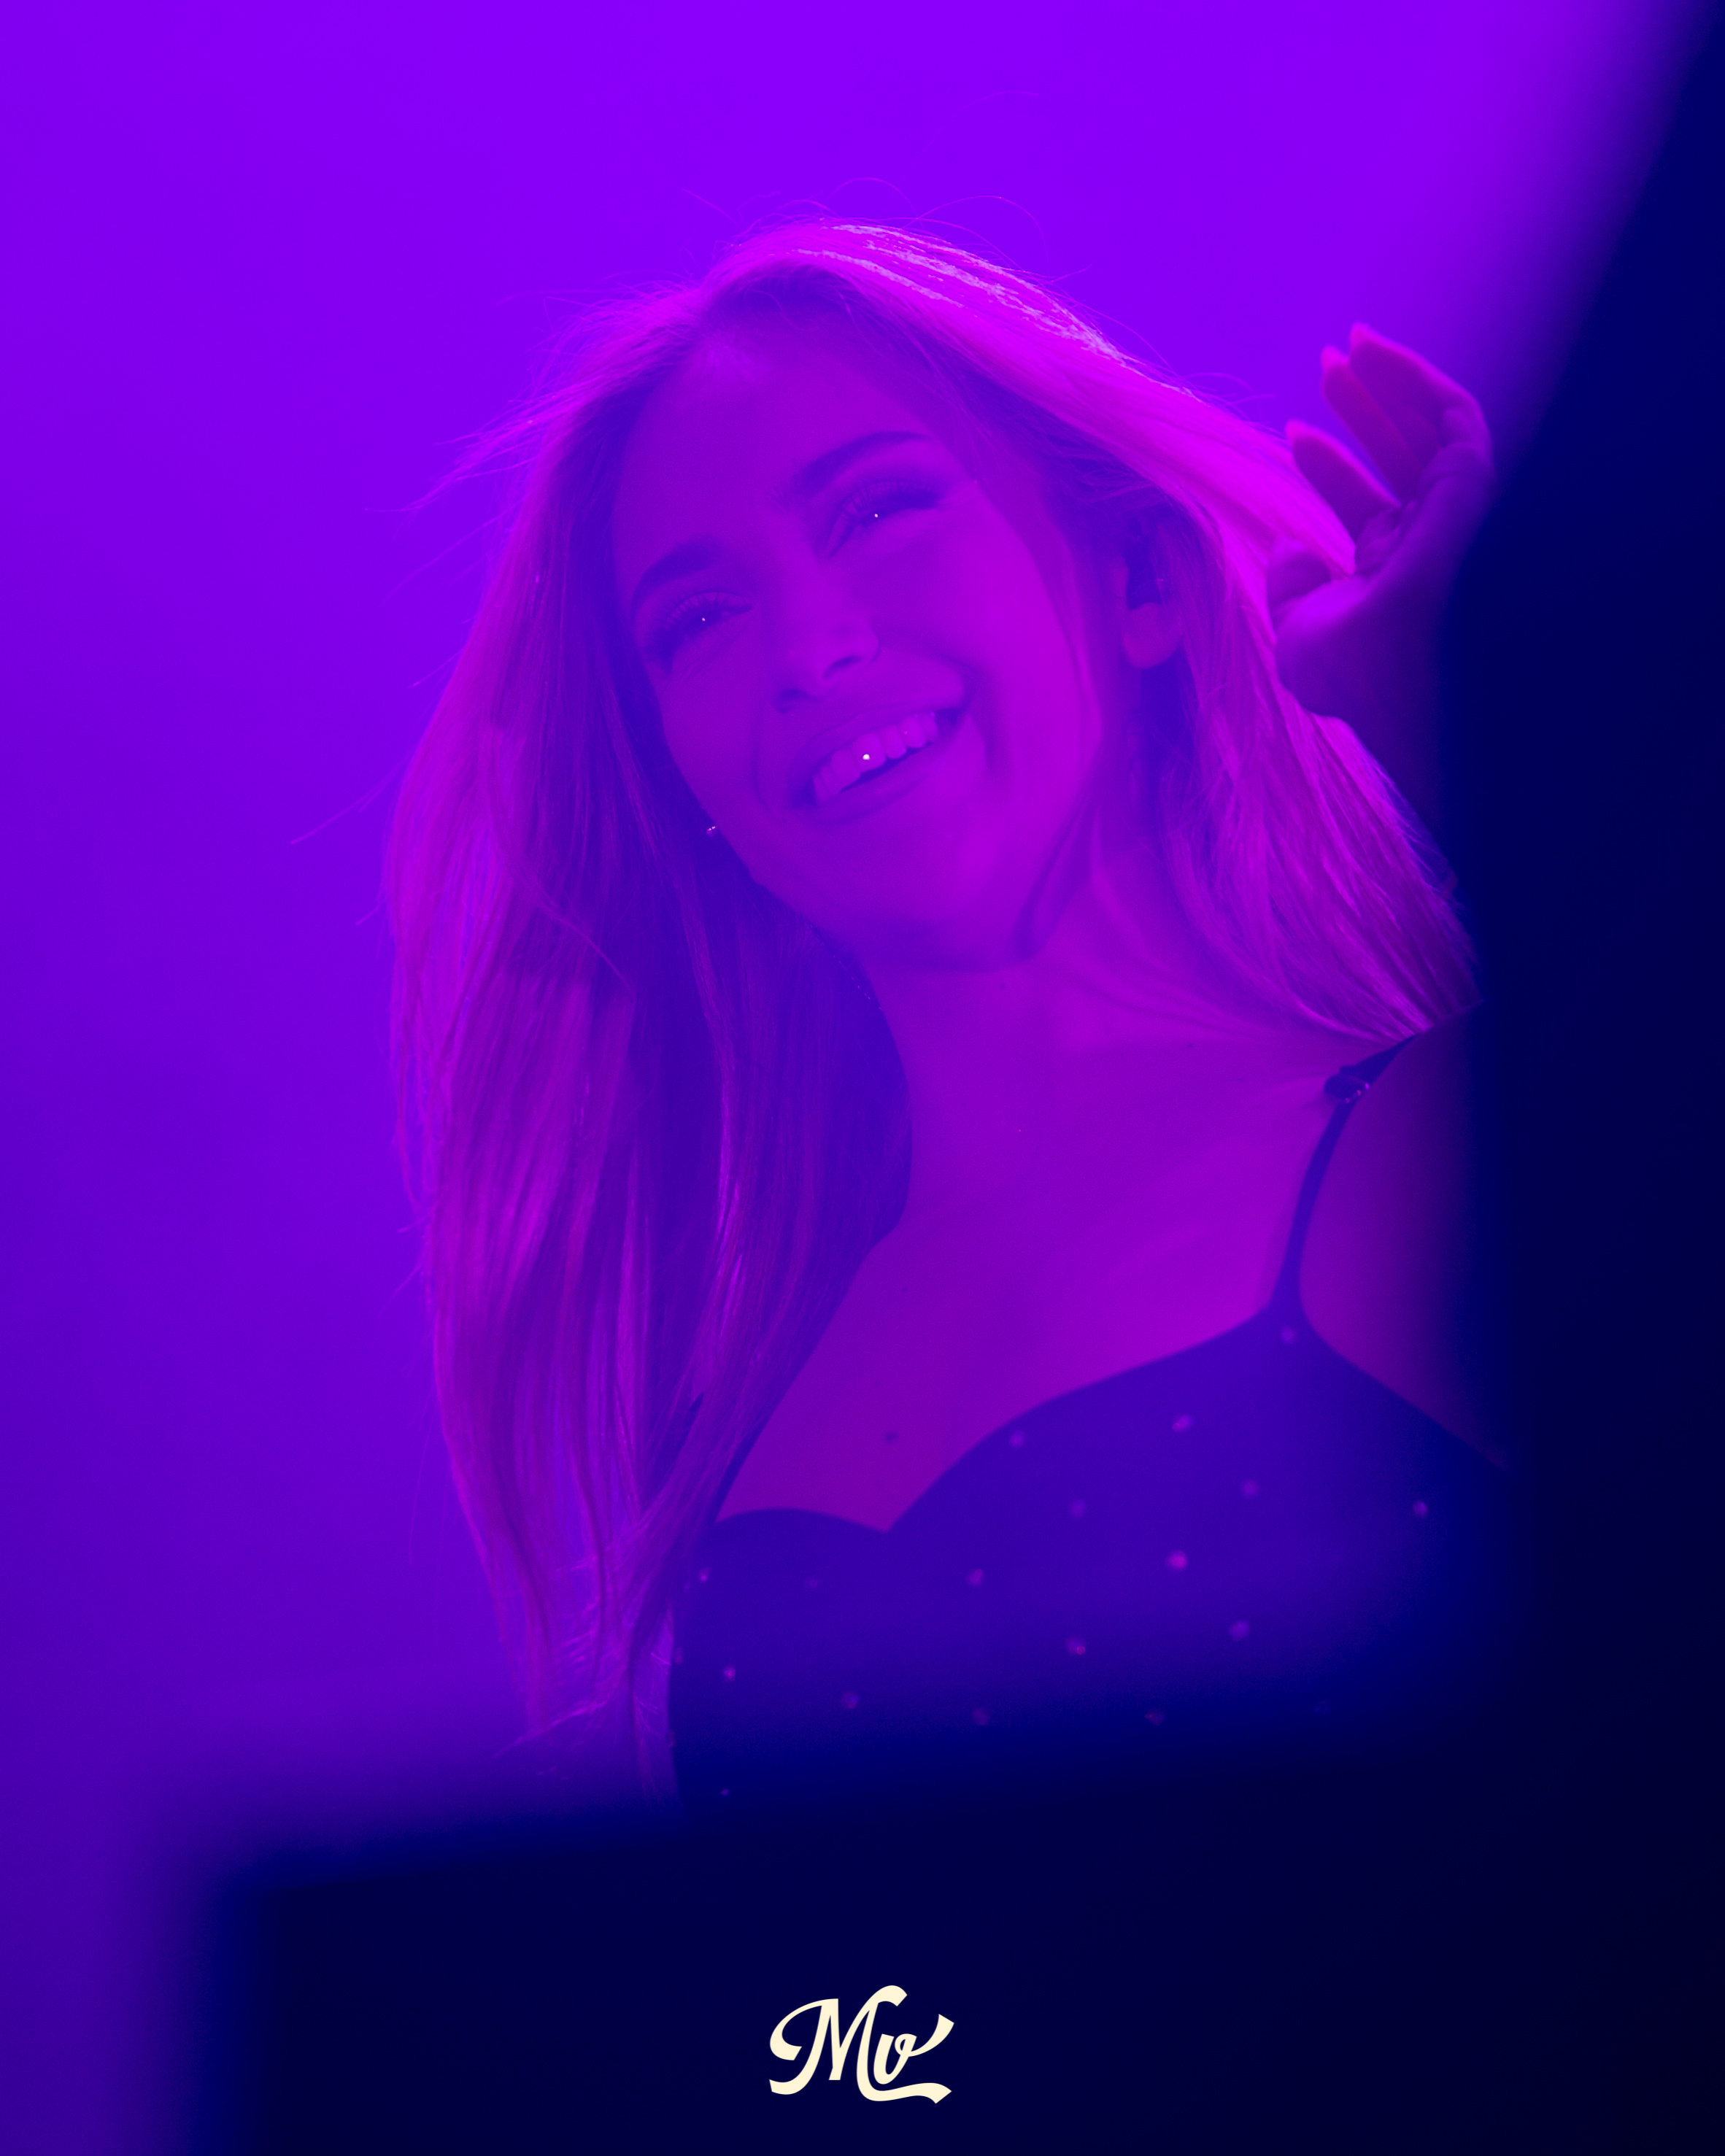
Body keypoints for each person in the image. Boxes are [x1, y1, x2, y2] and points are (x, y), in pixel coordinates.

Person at [387, 221, 1521, 1817]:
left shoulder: (1445, 1152)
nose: (809, 649)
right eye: (699, 618)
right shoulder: (734, 1384)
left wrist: (1479, 687)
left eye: (876, 509)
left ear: (1137, 580)